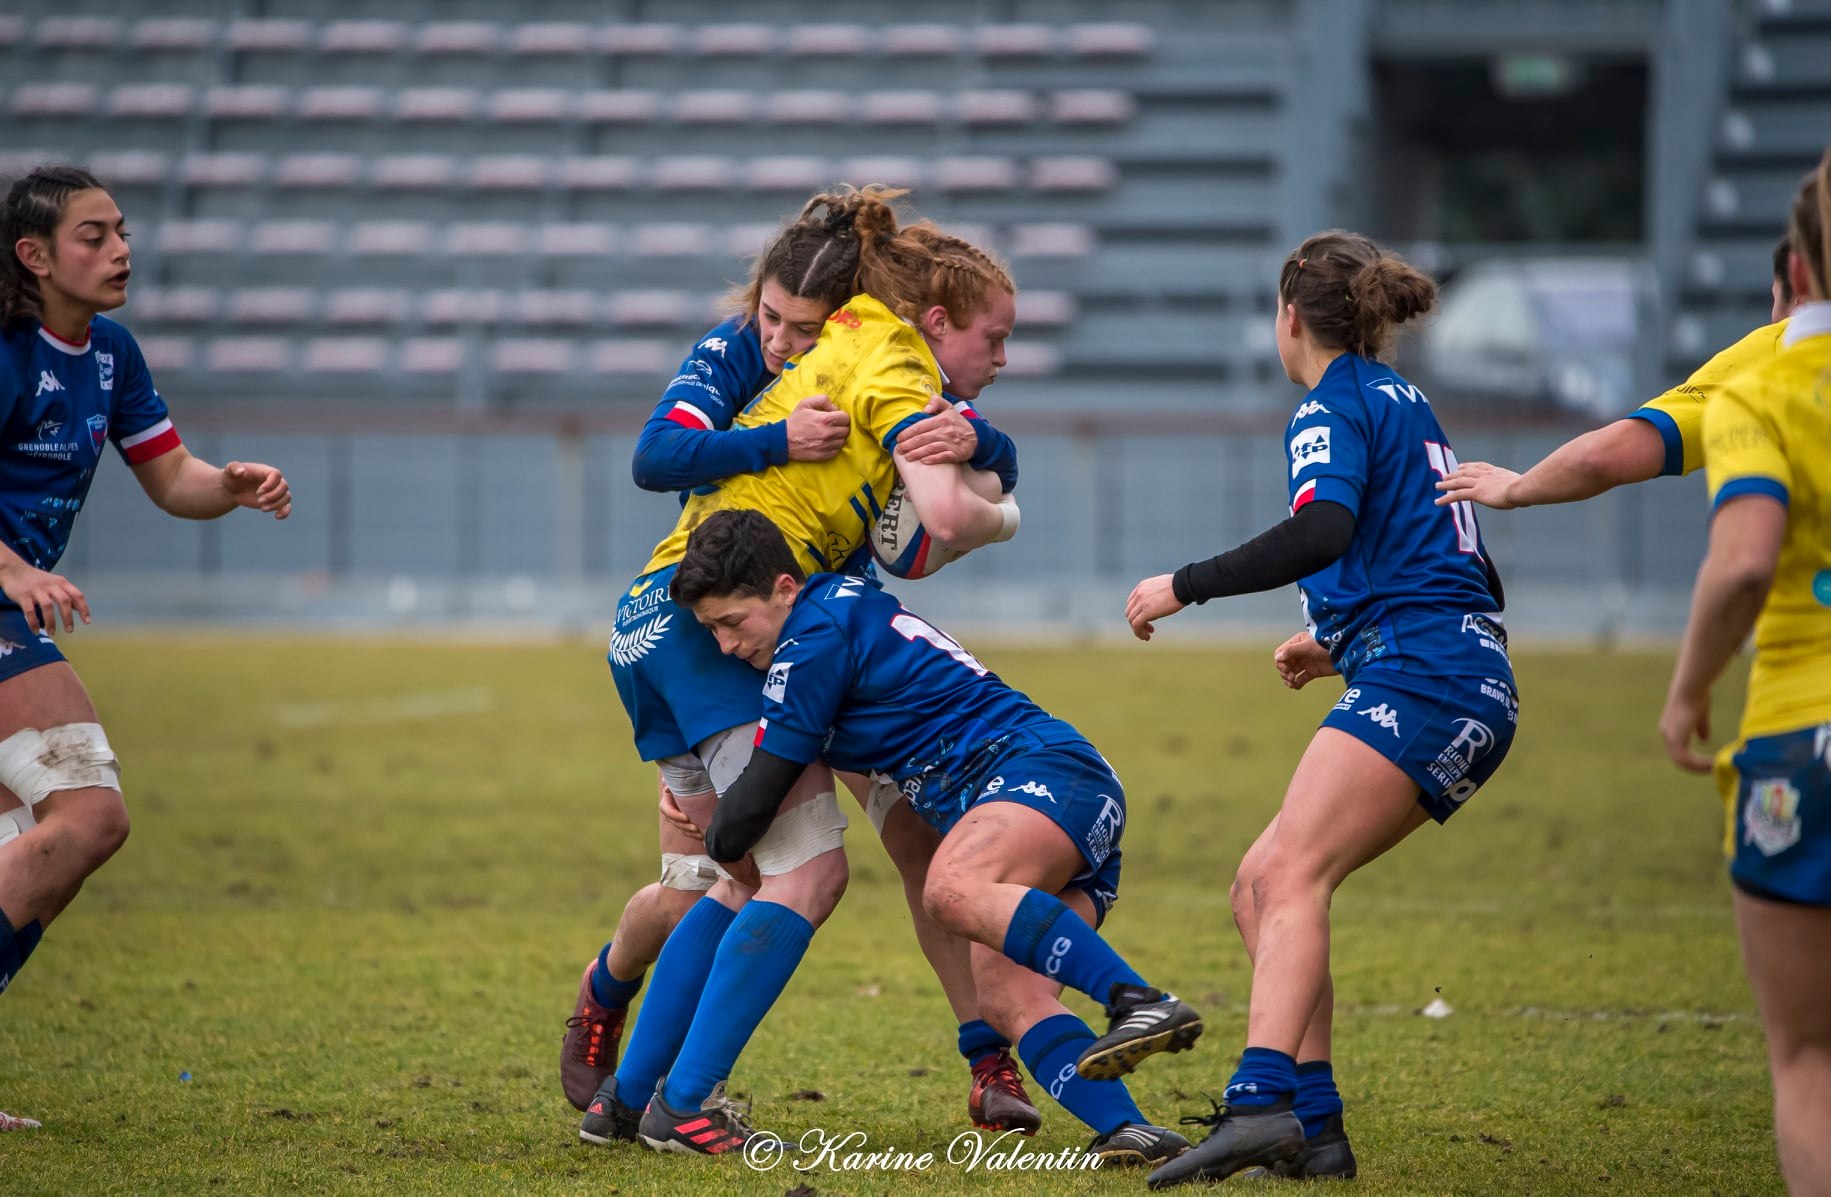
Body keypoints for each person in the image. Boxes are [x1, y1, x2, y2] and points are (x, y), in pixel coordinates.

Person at [563, 187, 1037, 1137]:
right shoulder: (821, 350)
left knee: (843, 852)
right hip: (731, 629)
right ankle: (664, 1078)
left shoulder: (868, 354)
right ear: (932, 319)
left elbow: (950, 477)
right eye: (994, 339)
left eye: (801, 326)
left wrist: (986, 439)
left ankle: (630, 1103)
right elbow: (658, 455)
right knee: (788, 874)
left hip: (738, 627)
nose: (785, 344)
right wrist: (999, 508)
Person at [1123, 231, 1519, 1187]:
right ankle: (1317, 1126)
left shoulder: (1329, 403)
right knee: (1257, 885)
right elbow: (1444, 558)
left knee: (1291, 874)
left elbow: (1324, 527)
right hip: (1444, 665)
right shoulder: (1401, 398)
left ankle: (1260, 1105)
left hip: (1427, 674)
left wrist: (1186, 583)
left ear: (1287, 315)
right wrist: (1343, 642)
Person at [676, 508, 1200, 1166]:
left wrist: (701, 815)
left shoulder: (811, 637)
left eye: (730, 622)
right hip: (1055, 798)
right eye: (710, 631)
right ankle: (1130, 1128)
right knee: (1005, 995)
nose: (726, 645)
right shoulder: (839, 609)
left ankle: (1142, 1001)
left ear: (784, 587)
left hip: (1038, 771)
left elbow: (750, 805)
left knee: (951, 887)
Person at [0, 165, 292, 1130]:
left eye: (121, 229)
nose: (121, 248)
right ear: (33, 256)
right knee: (90, 818)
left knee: (29, 850)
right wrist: (14, 571)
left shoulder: (111, 352)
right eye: (93, 235)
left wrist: (232, 483)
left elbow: (173, 480)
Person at [1657, 151, 1831, 1196]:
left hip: (1794, 742)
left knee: (1807, 1060)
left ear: (1795, 275)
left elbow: (1743, 563)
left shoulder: (1756, 384)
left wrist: (1686, 692)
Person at [1435, 234, 1803, 511]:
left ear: (1798, 286)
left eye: (1775, 300)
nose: (1773, 319)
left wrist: (1515, 488)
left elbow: (1604, 457)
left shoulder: (1784, 350)